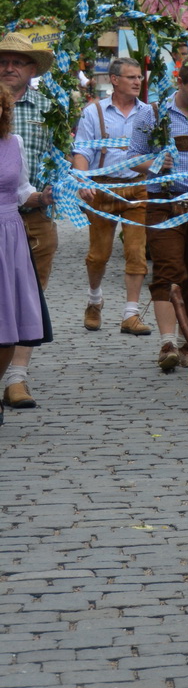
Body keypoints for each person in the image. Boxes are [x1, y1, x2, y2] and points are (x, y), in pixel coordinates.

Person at [128, 64, 188, 372]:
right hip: (163, 201)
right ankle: (167, 343)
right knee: (167, 270)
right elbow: (133, 157)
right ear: (180, 83)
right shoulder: (154, 113)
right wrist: (156, 164)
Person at [72, 56, 151, 336]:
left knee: (136, 251)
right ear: (114, 80)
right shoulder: (94, 112)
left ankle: (130, 314)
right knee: (99, 255)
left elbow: (153, 154)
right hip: (103, 189)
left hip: (137, 188)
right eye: (131, 77)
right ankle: (95, 300)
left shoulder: (148, 112)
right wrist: (83, 180)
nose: (137, 82)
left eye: (139, 77)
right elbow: (81, 151)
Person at [0, 32, 57, 409]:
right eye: (2, 61)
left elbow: (59, 157)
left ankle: (16, 377)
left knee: (22, 300)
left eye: (17, 61)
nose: (8, 67)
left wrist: (53, 192)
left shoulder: (49, 107)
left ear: (32, 69)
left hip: (25, 222)